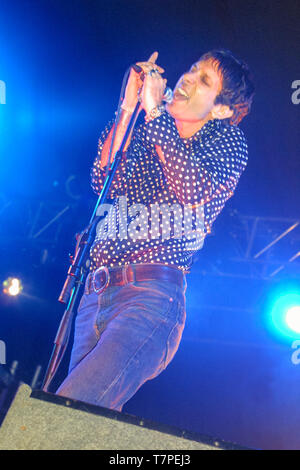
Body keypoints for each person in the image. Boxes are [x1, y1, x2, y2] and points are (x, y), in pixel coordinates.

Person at [56, 49, 254, 412]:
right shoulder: (146, 128)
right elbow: (103, 178)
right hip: (94, 295)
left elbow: (193, 190)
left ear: (222, 108)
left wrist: (157, 113)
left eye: (204, 80)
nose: (188, 78)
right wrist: (129, 109)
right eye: (192, 69)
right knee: (79, 423)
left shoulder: (227, 141)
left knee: (68, 407)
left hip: (150, 299)